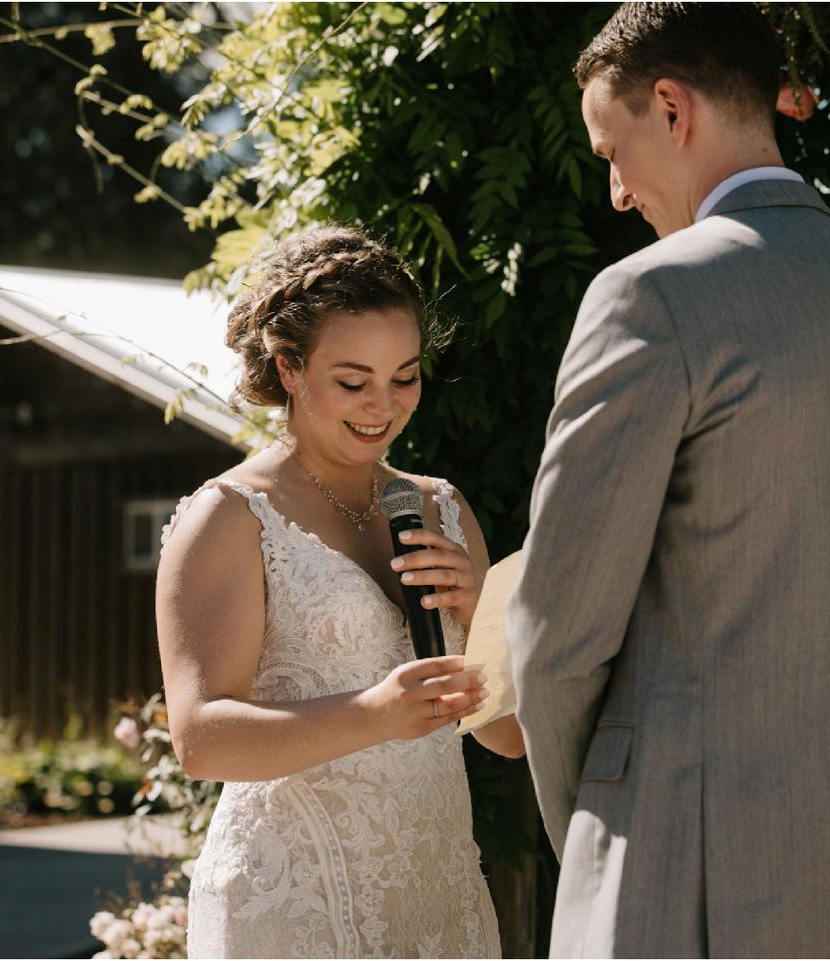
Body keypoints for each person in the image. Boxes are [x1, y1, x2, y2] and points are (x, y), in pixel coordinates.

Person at [505, 4, 830, 957]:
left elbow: (556, 638)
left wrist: (597, 830)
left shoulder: (649, 295)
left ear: (672, 108)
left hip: (687, 871)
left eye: (612, 148)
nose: (617, 193)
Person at [156, 225, 524, 959]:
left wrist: (480, 611)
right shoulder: (228, 515)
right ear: (289, 367)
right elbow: (200, 739)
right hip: (290, 905)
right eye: (353, 381)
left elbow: (507, 738)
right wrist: (373, 713)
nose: (383, 406)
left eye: (406, 376)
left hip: (436, 897)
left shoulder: (443, 507)